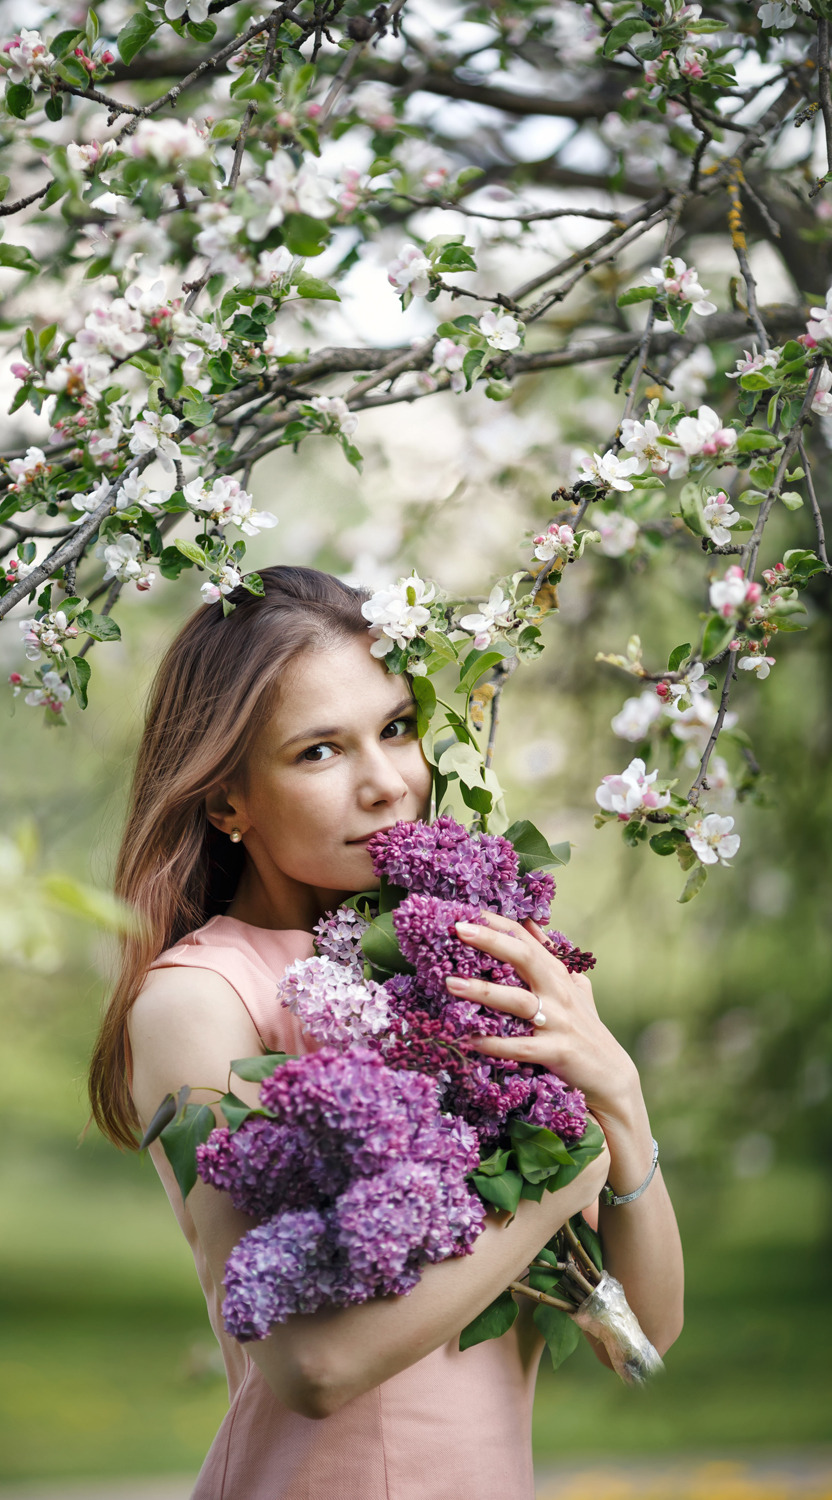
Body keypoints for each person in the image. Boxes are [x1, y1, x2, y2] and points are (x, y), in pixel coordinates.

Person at [89, 565, 684, 1500]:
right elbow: (311, 1368)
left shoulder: (461, 950)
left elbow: (645, 1332)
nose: (387, 784)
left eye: (397, 729)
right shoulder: (200, 1000)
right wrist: (562, 1184)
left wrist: (618, 1095)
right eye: (320, 751)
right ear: (225, 801)